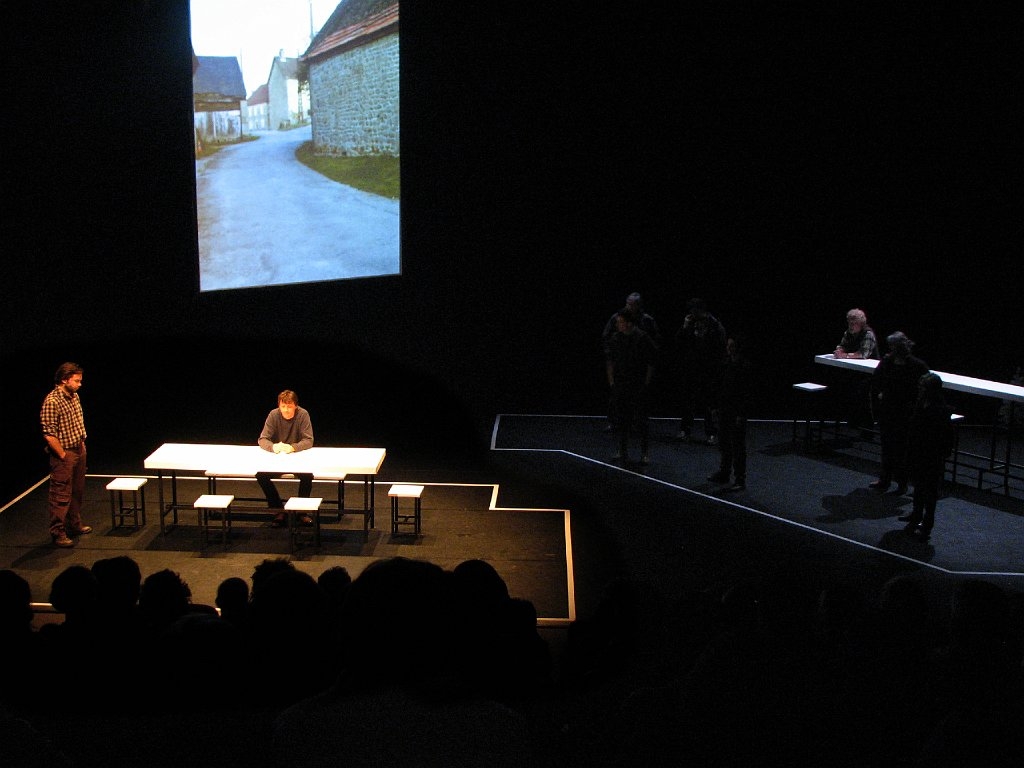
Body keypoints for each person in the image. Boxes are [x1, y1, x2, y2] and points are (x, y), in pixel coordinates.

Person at [869, 332, 929, 494]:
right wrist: (880, 394)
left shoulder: (917, 366)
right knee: (887, 447)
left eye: (894, 347)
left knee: (902, 450)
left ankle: (902, 483)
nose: (892, 349)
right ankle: (885, 479)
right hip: (888, 411)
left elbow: (924, 388)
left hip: (905, 413)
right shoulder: (887, 362)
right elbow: (876, 380)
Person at [40, 362, 93, 548]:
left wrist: (82, 444)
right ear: (64, 380)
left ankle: (74, 524)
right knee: (61, 494)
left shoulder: (74, 396)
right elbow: (49, 434)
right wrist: (62, 455)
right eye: (76, 381)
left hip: (78, 448)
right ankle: (58, 532)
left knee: (77, 490)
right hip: (65, 452)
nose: (80, 384)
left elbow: (77, 422)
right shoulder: (52, 401)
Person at [899, 373, 954, 539]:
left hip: (931, 453)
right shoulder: (921, 403)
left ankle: (927, 523)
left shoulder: (940, 409)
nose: (920, 389)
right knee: (918, 485)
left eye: (923, 387)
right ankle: (916, 514)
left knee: (930, 490)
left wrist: (943, 452)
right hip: (918, 450)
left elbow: (946, 434)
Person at [602, 293, 662, 431]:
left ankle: (638, 423)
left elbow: (654, 347)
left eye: (631, 304)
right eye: (627, 303)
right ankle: (615, 422)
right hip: (622, 365)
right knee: (617, 397)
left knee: (638, 398)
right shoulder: (617, 329)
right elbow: (607, 340)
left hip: (638, 366)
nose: (628, 306)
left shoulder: (645, 325)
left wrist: (647, 377)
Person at [606, 309, 657, 465]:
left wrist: (646, 383)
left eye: (620, 322)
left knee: (641, 419)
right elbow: (610, 360)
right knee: (622, 419)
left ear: (628, 323)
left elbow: (651, 361)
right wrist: (612, 381)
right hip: (621, 383)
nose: (618, 325)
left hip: (637, 383)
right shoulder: (616, 338)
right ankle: (622, 450)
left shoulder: (642, 337)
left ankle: (644, 453)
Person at [257, 390, 314, 527]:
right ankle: (278, 510)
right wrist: (273, 447)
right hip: (278, 459)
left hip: (297, 458)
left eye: (289, 406)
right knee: (261, 475)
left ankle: (302, 512)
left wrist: (293, 447)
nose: (286, 410)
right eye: (283, 406)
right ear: (279, 405)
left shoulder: (303, 414)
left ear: (295, 405)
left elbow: (308, 440)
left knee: (307, 475)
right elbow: (263, 439)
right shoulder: (273, 415)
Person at [675, 298, 727, 444]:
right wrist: (685, 327)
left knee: (709, 403)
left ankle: (711, 433)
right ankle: (685, 430)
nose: (692, 313)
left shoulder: (714, 324)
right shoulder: (689, 323)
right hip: (692, 368)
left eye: (694, 310)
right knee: (688, 401)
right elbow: (678, 342)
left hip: (709, 369)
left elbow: (721, 346)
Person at [707, 335, 755, 491]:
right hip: (725, 408)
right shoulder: (725, 364)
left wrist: (741, 414)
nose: (728, 348)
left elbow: (747, 393)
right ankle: (724, 472)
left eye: (732, 346)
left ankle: (740, 478)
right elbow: (718, 385)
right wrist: (715, 406)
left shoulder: (744, 367)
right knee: (724, 442)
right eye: (728, 345)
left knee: (738, 445)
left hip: (736, 410)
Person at [832, 308, 880, 436]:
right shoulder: (849, 332)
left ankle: (868, 429)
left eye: (854, 323)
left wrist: (844, 355)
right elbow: (842, 344)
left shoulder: (868, 334)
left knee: (864, 398)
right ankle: (854, 423)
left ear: (861, 323)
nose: (851, 326)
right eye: (849, 323)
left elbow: (863, 354)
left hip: (869, 373)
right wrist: (839, 350)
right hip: (855, 370)